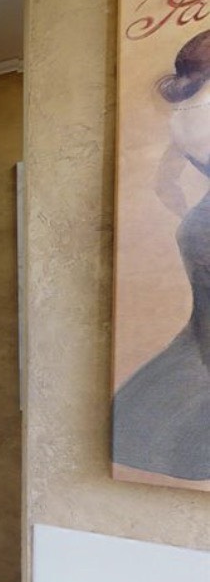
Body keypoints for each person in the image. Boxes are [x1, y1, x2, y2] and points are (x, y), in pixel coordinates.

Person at [113, 30, 210, 490]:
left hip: (196, 231)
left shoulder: (181, 119)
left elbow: (164, 186)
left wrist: (192, 219)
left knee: (202, 339)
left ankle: (142, 429)